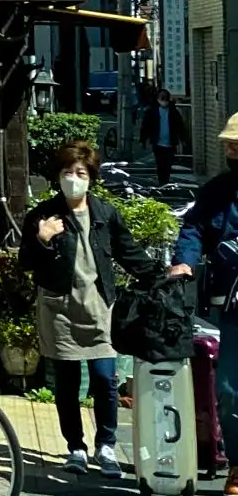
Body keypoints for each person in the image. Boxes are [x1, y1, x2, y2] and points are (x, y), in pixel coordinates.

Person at [20, 139, 154, 478]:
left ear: (91, 177)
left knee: (105, 378)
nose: (73, 178)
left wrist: (162, 276)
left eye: (80, 172)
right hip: (60, 306)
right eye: (67, 172)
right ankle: (75, 448)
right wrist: (42, 239)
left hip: (99, 305)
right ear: (58, 176)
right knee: (66, 381)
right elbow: (24, 262)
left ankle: (106, 446)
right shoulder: (42, 216)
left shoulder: (105, 213)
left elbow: (129, 252)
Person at [168, 113, 238, 496]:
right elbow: (193, 228)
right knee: (228, 389)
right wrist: (185, 261)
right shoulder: (217, 191)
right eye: (229, 144)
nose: (229, 149)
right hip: (230, 305)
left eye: (236, 144)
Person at [138, 86, 190, 188]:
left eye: (165, 98)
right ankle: (161, 181)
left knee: (168, 163)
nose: (164, 101)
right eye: (161, 98)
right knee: (160, 163)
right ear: (157, 99)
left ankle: (165, 180)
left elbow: (180, 126)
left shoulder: (173, 111)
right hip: (158, 142)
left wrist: (183, 139)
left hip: (170, 141)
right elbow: (145, 127)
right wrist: (143, 140)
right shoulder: (152, 111)